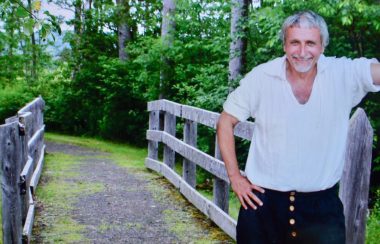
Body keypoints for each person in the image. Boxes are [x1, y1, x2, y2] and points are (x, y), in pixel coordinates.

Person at [217, 10, 380, 243]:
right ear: (284, 44)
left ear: (322, 46)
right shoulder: (262, 77)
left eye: (310, 43)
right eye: (295, 42)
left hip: (322, 213)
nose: (302, 52)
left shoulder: (343, 74)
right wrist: (234, 177)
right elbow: (225, 121)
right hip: (262, 209)